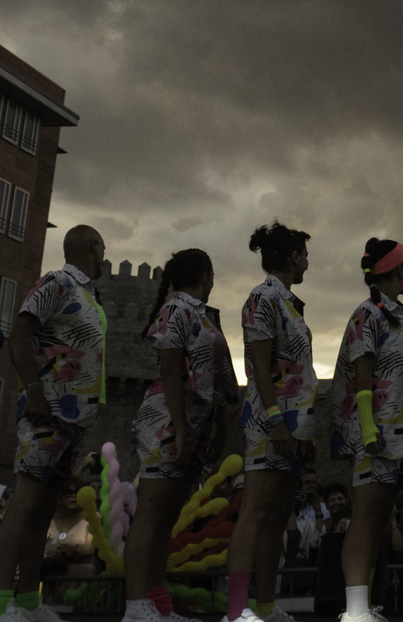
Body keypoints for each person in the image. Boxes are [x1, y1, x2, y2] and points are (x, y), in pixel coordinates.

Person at [0, 225, 106, 622]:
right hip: (47, 411)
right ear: (93, 246)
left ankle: (27, 601)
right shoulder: (57, 282)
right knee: (24, 500)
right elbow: (19, 333)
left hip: (71, 422)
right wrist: (34, 392)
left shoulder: (89, 296)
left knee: (43, 507)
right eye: (103, 248)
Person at [122, 249, 235, 622]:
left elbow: (218, 378)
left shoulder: (205, 316)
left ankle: (157, 602)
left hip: (194, 427)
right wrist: (180, 430)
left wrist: (217, 427)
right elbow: (171, 372)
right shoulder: (176, 310)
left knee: (167, 517)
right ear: (205, 275)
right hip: (166, 424)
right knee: (151, 514)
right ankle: (137, 604)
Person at [225, 222, 317, 622]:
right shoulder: (262, 298)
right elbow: (259, 368)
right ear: (294, 256)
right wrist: (277, 420)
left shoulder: (289, 303)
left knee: (279, 513)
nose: (308, 262)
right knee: (257, 510)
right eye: (306, 255)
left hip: (294, 426)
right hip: (269, 422)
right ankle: (236, 611)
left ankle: (263, 607)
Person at [332, 238, 403, 622]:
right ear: (397, 272)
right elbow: (362, 376)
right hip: (375, 432)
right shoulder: (368, 314)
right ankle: (353, 610)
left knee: (379, 519)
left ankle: (362, 605)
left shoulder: (401, 316)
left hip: (396, 431)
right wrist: (368, 429)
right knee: (365, 517)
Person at [43, 476, 95, 582]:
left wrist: (68, 551)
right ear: (60, 496)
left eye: (77, 492)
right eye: (68, 492)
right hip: (50, 580)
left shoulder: (92, 517)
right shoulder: (49, 518)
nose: (73, 496)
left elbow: (89, 547)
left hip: (81, 581)